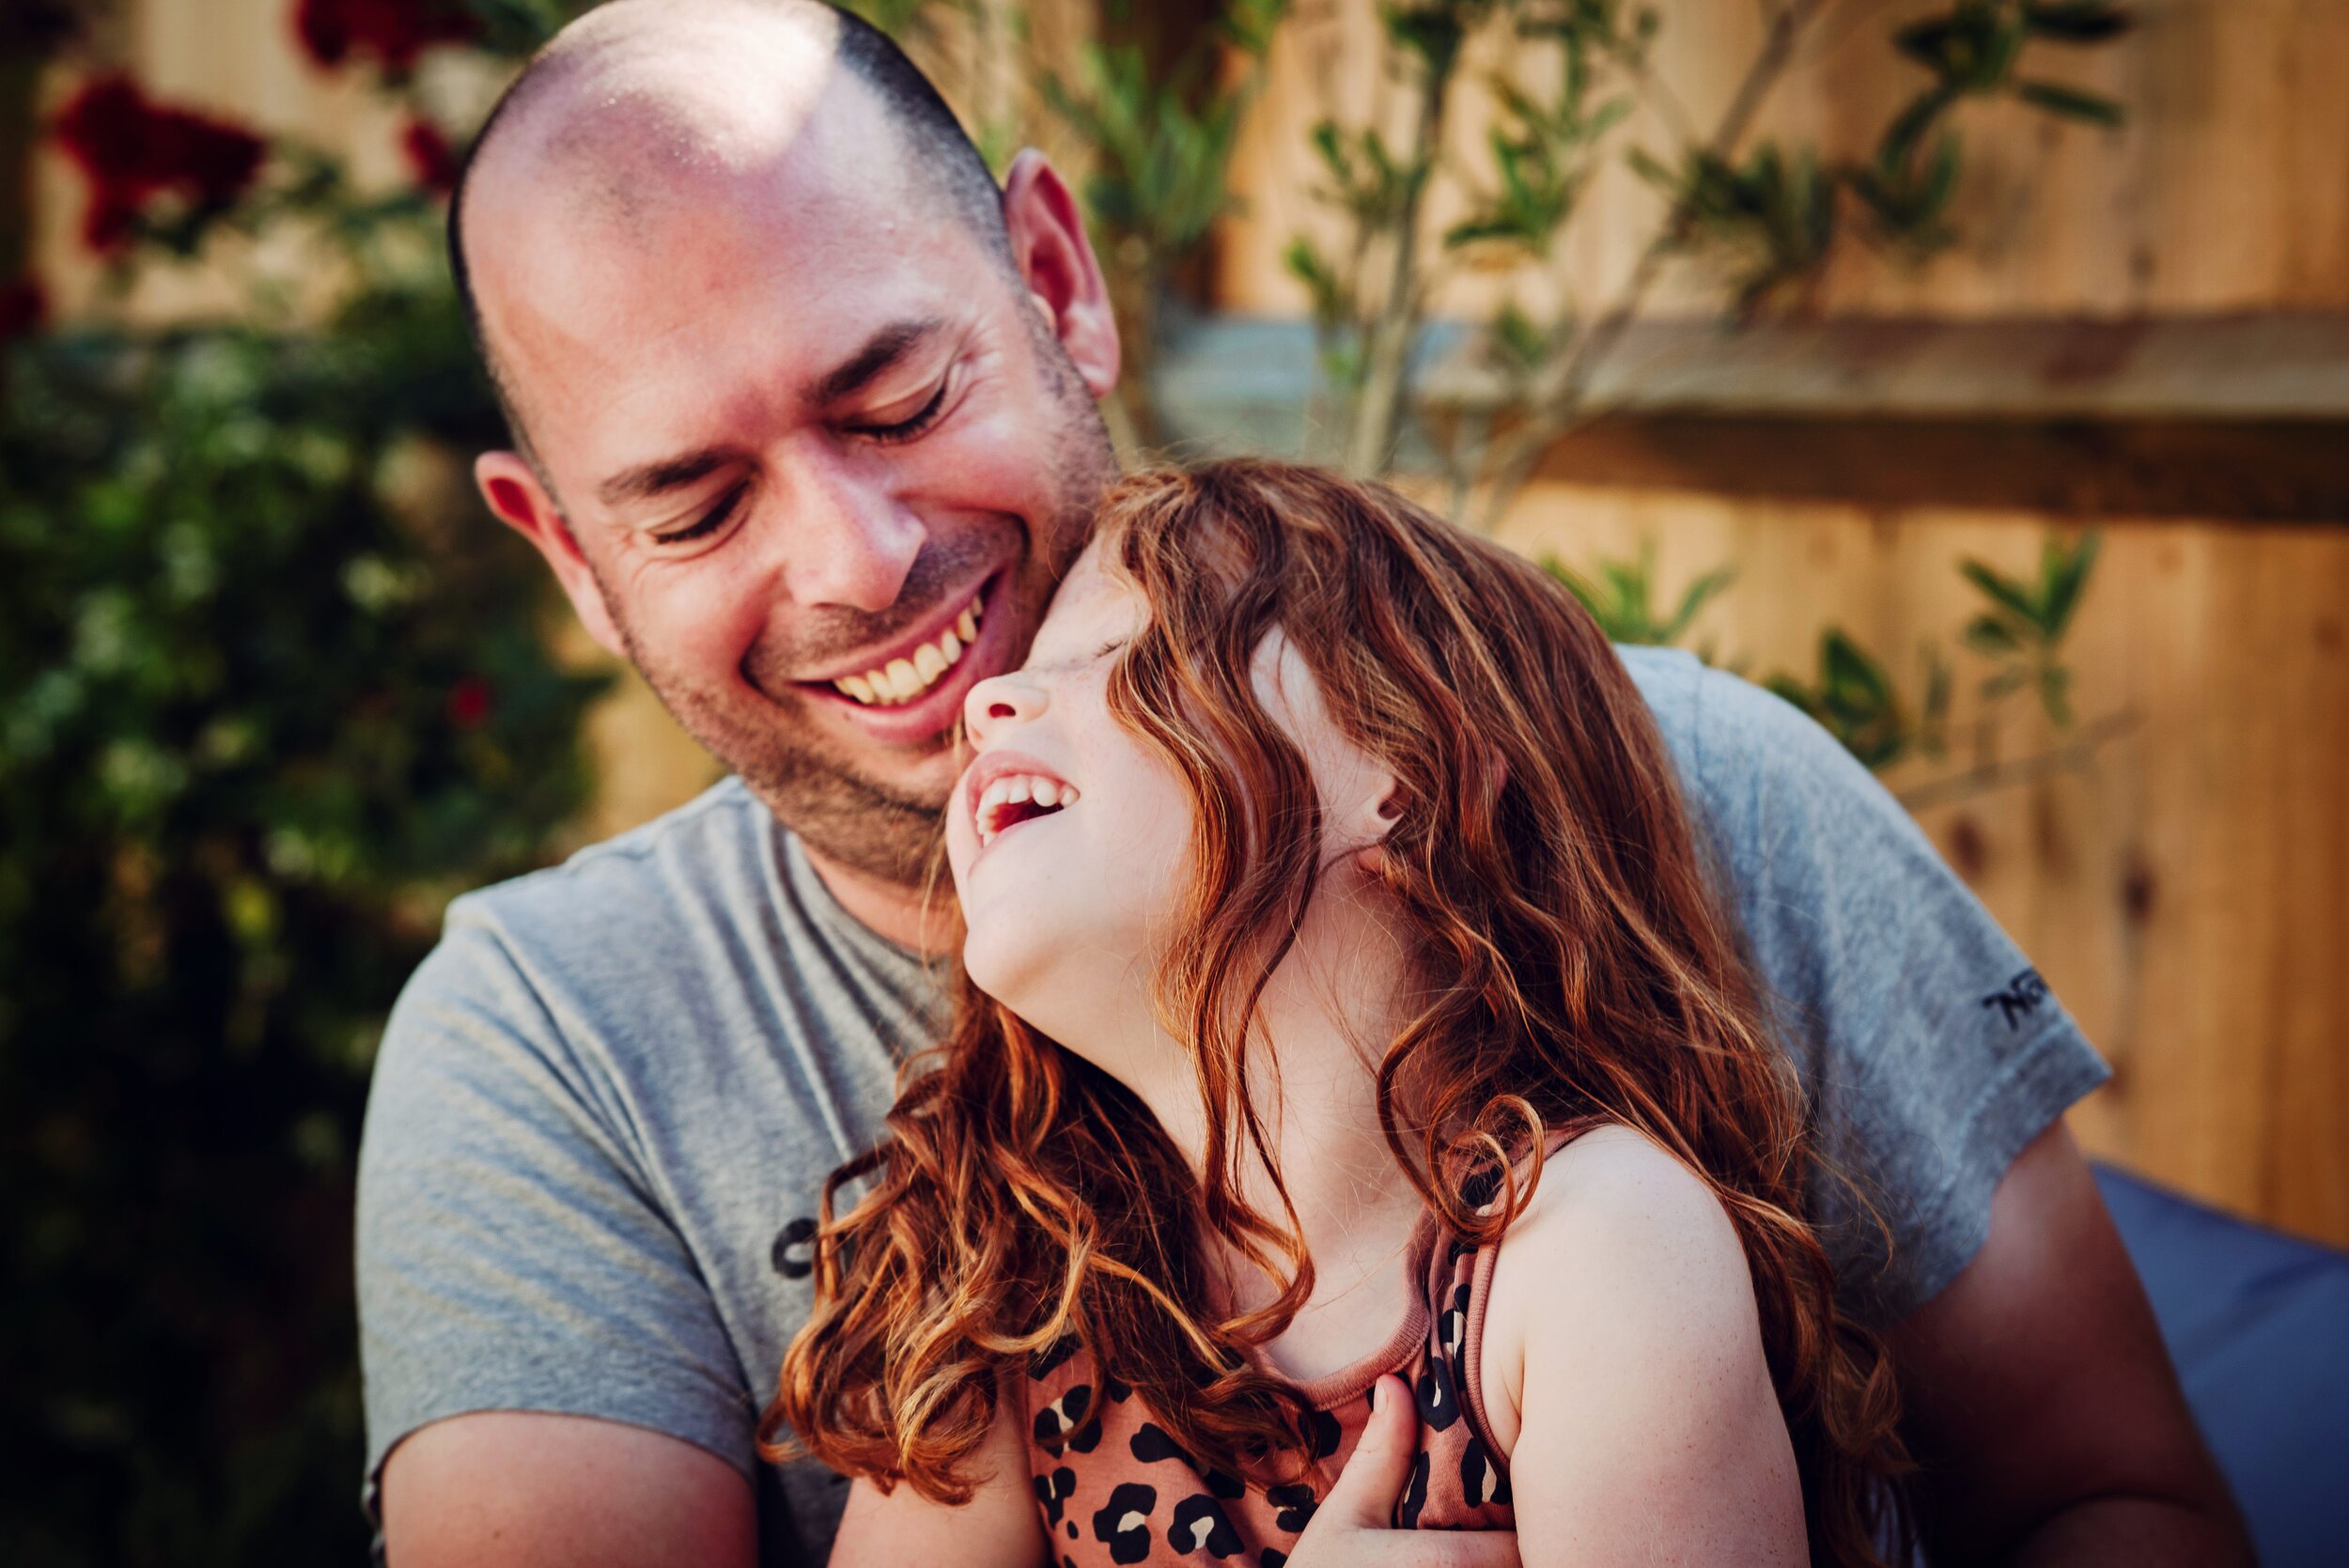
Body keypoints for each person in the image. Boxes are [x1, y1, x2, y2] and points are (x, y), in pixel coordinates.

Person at [356, 2, 2247, 1564]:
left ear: (1050, 280)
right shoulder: (585, 1059)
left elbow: (2110, 1502)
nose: (854, 563)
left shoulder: (1683, 820)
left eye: (900, 399)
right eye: (693, 502)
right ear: (570, 561)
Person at [771, 459, 1910, 1567]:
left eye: (1130, 652)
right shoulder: (1012, 1280)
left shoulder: (1592, 1248)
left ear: (1407, 772)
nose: (987, 701)